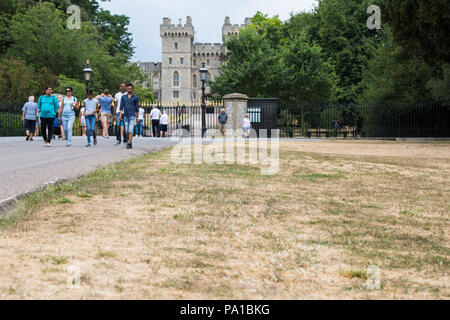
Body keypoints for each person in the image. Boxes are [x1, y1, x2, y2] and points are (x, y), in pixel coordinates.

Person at [120, 83, 139, 149]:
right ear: (127, 89)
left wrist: (137, 117)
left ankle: (129, 142)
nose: (129, 90)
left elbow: (137, 108)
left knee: (131, 129)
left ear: (132, 89)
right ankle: (129, 141)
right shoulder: (123, 97)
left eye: (130, 89)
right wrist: (120, 114)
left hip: (132, 115)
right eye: (128, 89)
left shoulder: (135, 97)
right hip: (125, 115)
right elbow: (121, 107)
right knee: (126, 130)